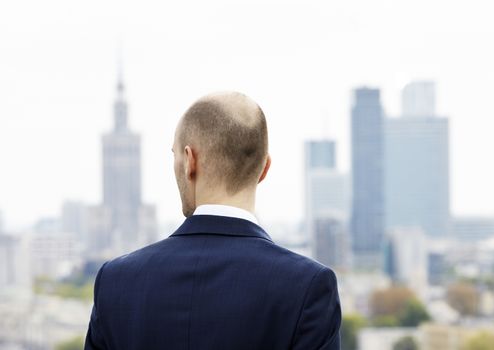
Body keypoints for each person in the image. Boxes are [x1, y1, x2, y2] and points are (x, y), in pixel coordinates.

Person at [85, 91, 341, 349]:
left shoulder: (115, 282)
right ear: (264, 168)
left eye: (174, 154)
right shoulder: (308, 287)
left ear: (189, 161)